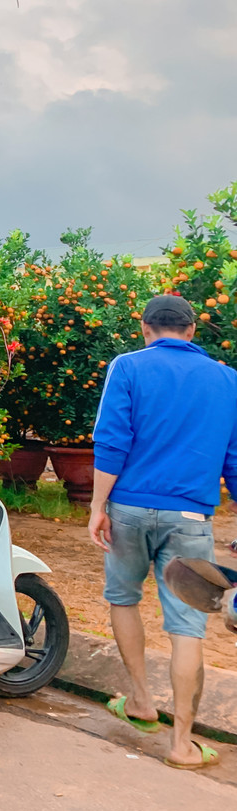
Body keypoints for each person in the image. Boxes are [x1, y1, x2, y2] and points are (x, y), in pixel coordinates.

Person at [88, 294, 237, 770]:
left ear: (145, 327)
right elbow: (234, 460)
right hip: (192, 518)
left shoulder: (128, 367)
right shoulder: (227, 379)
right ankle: (181, 743)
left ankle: (140, 701)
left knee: (124, 597)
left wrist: (97, 506)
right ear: (192, 330)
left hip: (129, 508)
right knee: (189, 627)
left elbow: (113, 440)